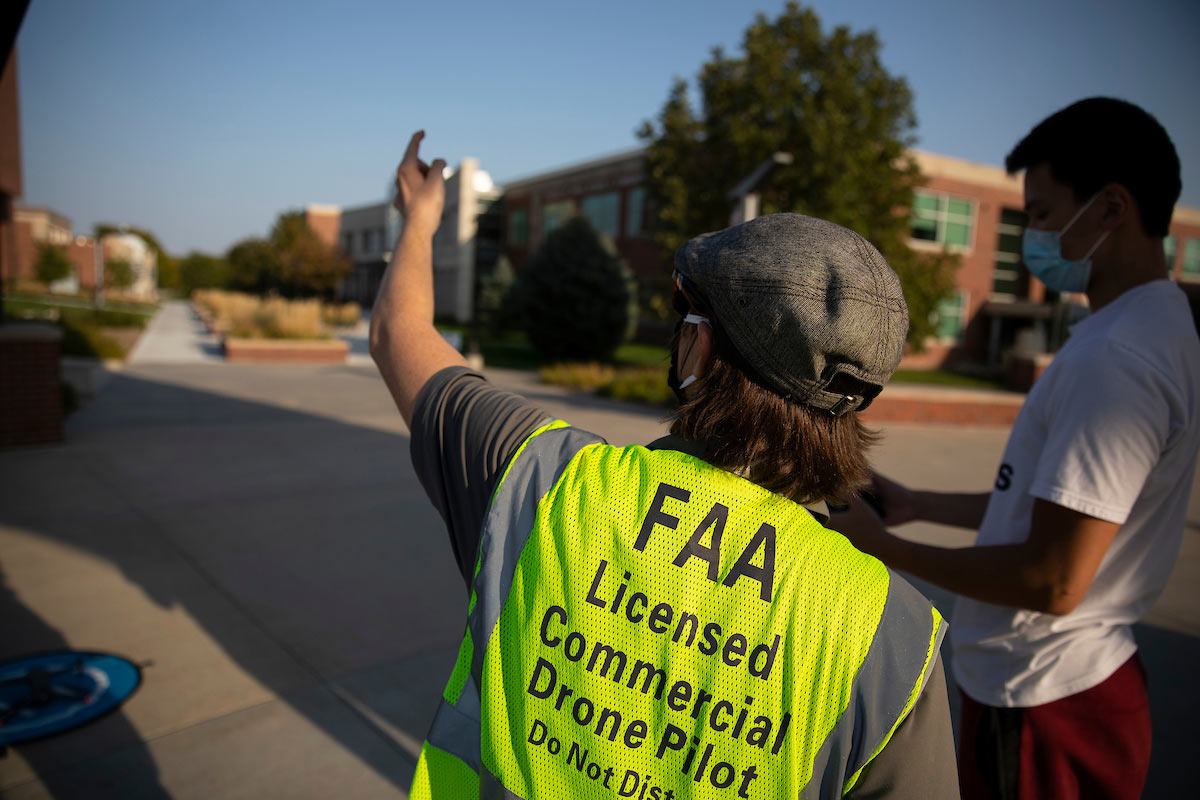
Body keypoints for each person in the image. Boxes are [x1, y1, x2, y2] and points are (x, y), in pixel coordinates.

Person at [372, 130, 958, 799]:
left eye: (686, 313)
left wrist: (420, 220)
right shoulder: (893, 639)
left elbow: (399, 334)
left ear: (699, 347)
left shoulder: (539, 479)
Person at [827, 97, 1200, 800]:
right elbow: (1058, 509)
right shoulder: (1155, 325)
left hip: (1043, 697)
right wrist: (919, 505)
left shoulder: (1116, 359)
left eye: (1042, 213)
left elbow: (1054, 580)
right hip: (1069, 686)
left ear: (1111, 207)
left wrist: (887, 549)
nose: (1032, 235)